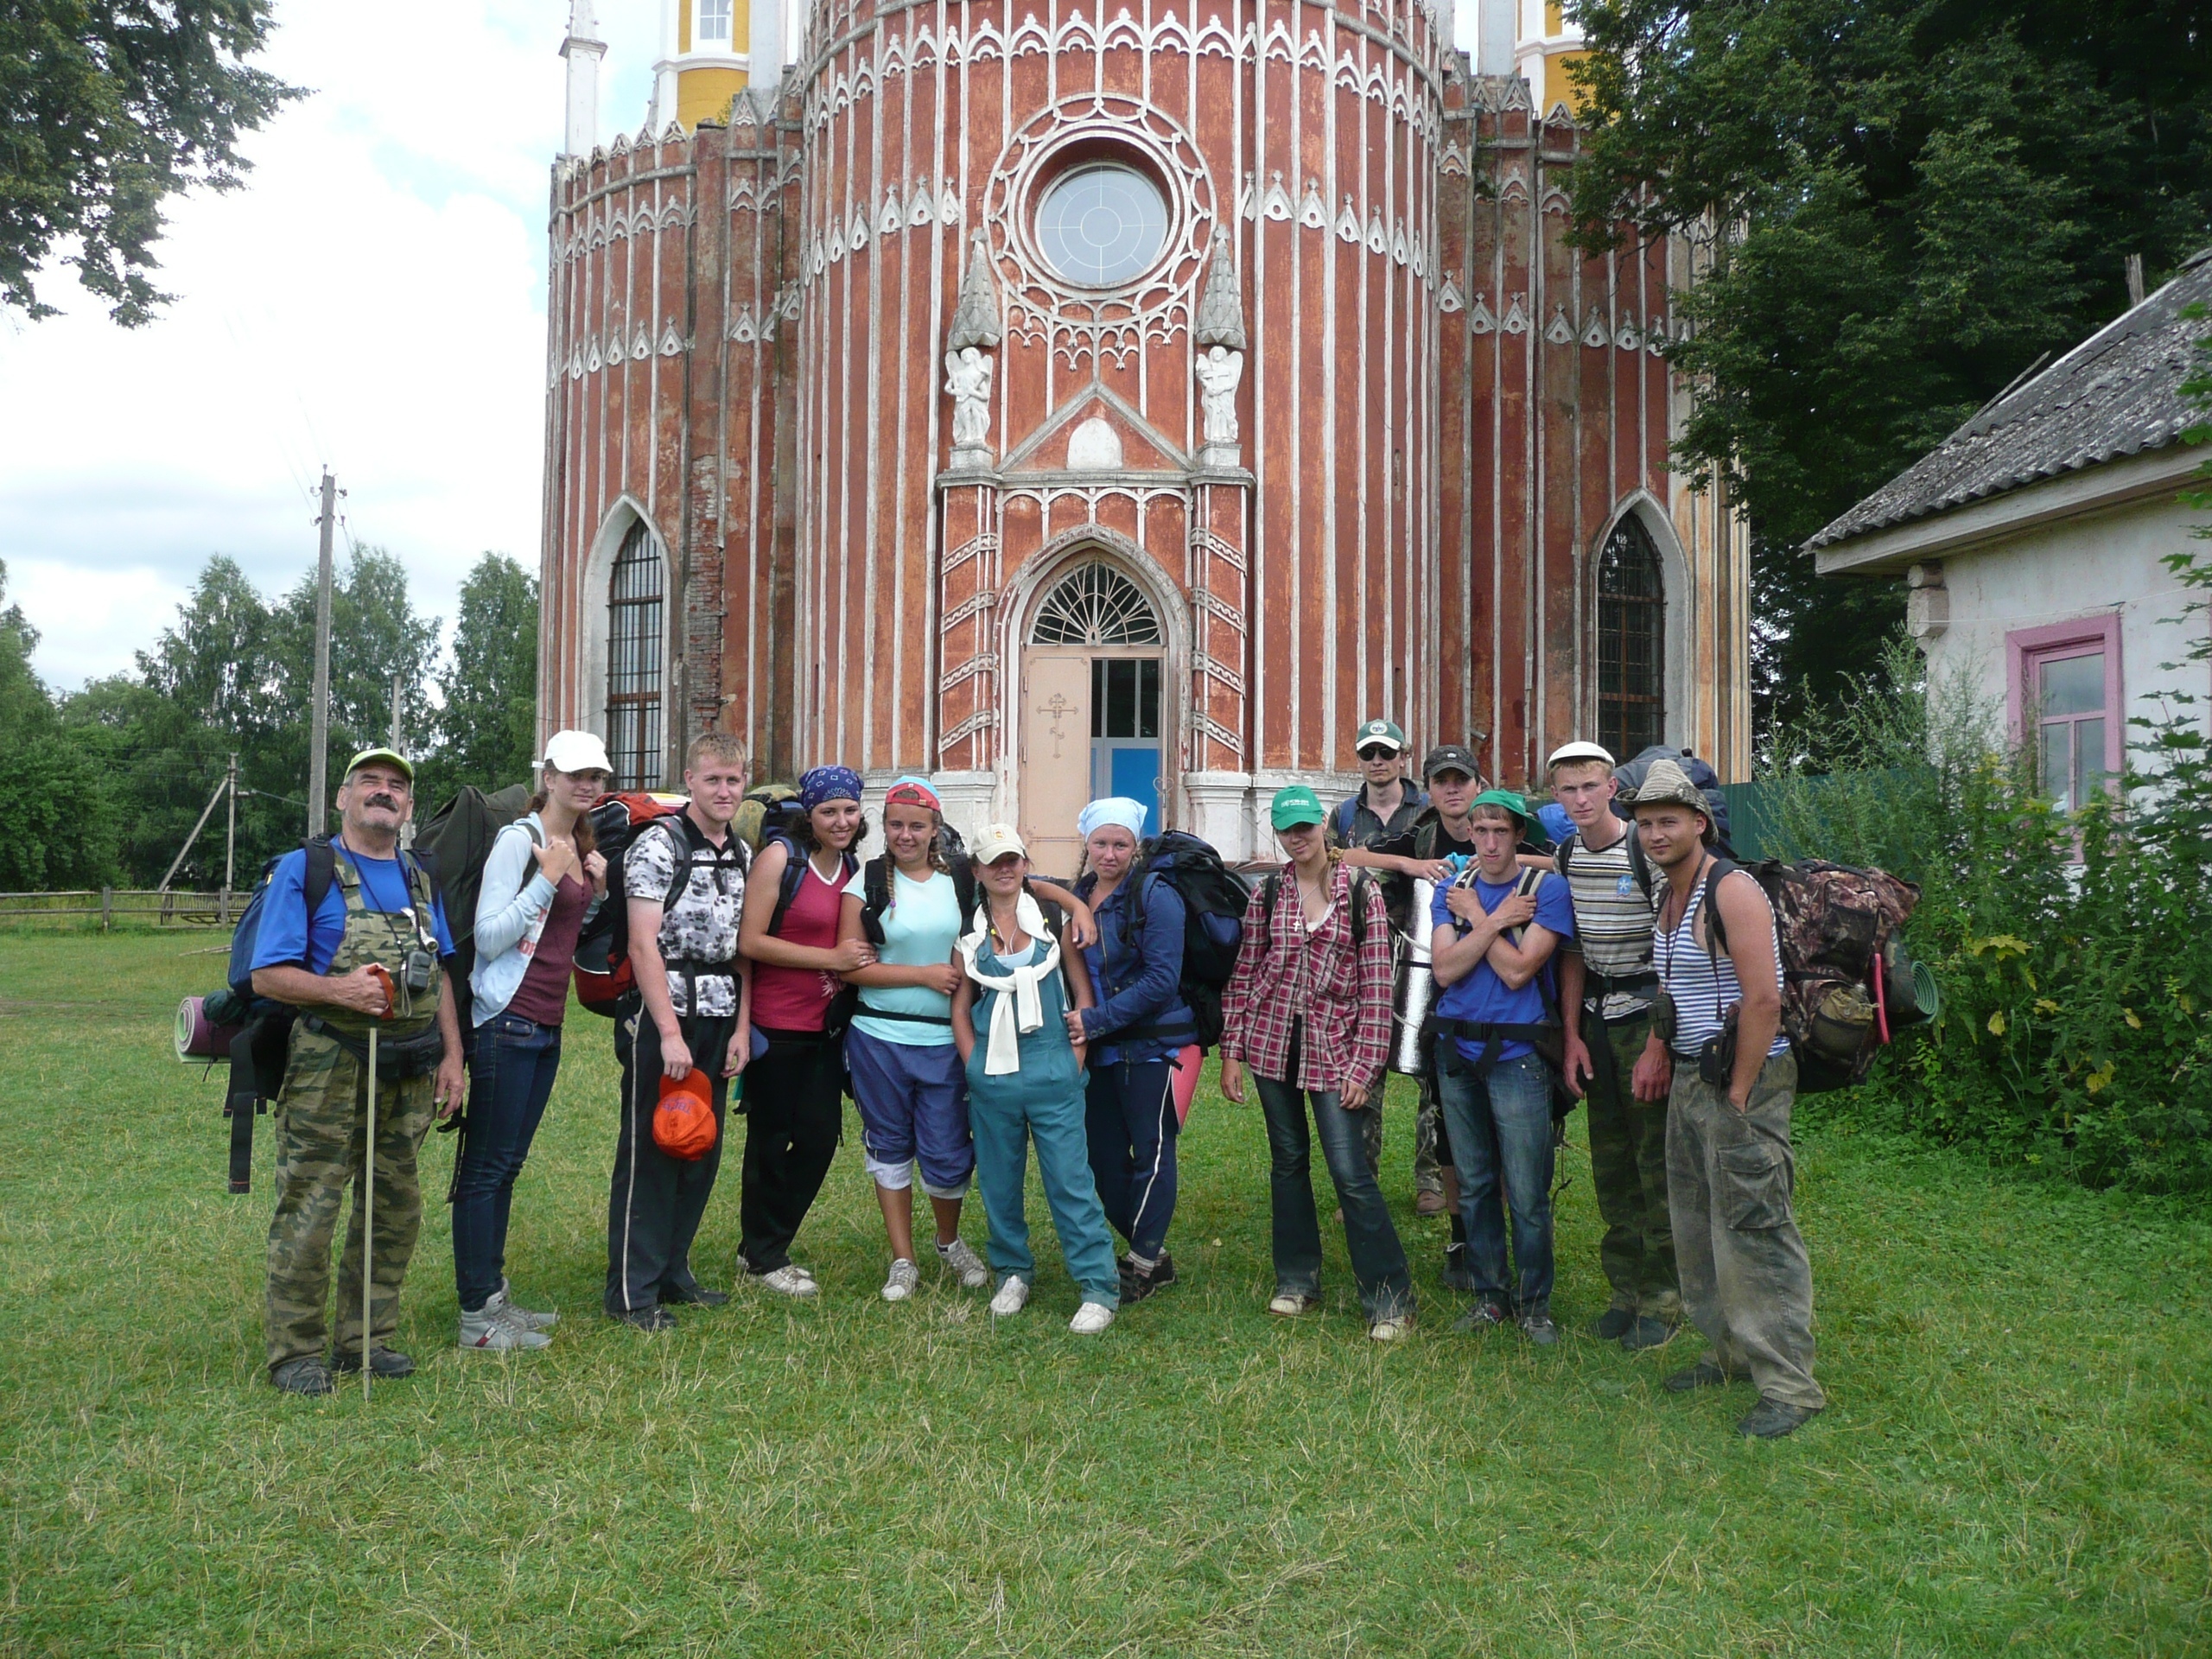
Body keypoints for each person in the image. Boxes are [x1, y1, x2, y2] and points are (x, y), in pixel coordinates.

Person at [250, 747, 467, 1395]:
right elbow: (268, 975)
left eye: (397, 786)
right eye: (369, 781)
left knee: (395, 1207)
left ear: (408, 807)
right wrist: (340, 992)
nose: (384, 792)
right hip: (329, 1060)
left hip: (409, 1068)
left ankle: (365, 1339)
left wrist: (453, 1055)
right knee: (312, 1204)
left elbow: (445, 973)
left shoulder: (421, 878)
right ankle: (296, 1352)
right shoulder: (306, 871)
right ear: (342, 798)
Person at [1632, 759, 1825, 1439]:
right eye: (1647, 823)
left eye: (1668, 821)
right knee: (1695, 1224)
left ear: (1699, 824)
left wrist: (1739, 1096)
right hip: (1692, 1076)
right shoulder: (1668, 894)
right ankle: (1732, 1354)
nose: (1656, 834)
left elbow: (1764, 1001)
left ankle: (1791, 1387)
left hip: (1744, 1080)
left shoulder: (1732, 890)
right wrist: (1660, 1048)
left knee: (1753, 1225)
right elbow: (1675, 988)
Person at [1219, 785, 1414, 1341]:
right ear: (1277, 833)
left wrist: (1365, 1066)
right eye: (1288, 829)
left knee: (1351, 1173)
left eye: (1306, 827)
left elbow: (1379, 986)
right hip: (1271, 1041)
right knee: (1287, 1162)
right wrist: (1232, 1051)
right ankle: (1297, 1278)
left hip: (1337, 1047)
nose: (1298, 837)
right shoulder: (1268, 894)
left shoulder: (1360, 891)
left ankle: (1388, 1296)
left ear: (1323, 830)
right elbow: (1245, 974)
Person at [455, 728, 611, 1351]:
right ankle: (476, 1317)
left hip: (546, 1023)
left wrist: (591, 891)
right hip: (505, 1020)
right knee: (485, 1171)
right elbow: (490, 935)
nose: (587, 785)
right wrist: (548, 878)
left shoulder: (579, 842)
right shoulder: (517, 842)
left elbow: (561, 934)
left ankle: (494, 1299)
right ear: (547, 777)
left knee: (508, 1166)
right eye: (575, 774)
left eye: (596, 776)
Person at [607, 732, 753, 1329]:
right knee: (653, 1148)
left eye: (734, 779)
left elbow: (743, 950)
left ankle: (674, 1270)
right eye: (713, 779)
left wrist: (743, 1029)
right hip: (665, 1012)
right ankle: (630, 1289)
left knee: (700, 1144)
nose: (724, 790)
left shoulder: (743, 853)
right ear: (689, 779)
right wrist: (668, 1032)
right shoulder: (657, 846)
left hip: (721, 1008)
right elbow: (643, 943)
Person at [952, 824, 1121, 1334]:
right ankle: (1012, 1271)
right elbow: (960, 1008)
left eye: (1014, 859)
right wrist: (972, 1064)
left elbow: (1080, 987)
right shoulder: (968, 934)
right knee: (1000, 1183)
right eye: (993, 861)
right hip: (993, 1073)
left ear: (1025, 864)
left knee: (1070, 1181)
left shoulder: (1050, 922)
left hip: (1052, 1065)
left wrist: (1079, 1050)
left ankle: (1097, 1285)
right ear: (977, 871)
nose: (1005, 869)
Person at [837, 777, 994, 1302]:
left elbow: (1023, 886)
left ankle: (948, 1242)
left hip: (945, 1040)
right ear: (884, 828)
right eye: (897, 824)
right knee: (890, 1144)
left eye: (917, 826)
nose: (906, 835)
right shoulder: (866, 885)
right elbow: (850, 968)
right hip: (878, 1038)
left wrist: (1077, 905)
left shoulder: (961, 884)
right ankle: (903, 1259)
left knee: (949, 1149)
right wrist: (923, 975)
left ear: (936, 829)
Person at [1427, 788, 1573, 1344]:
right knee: (1476, 1182)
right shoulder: (1454, 891)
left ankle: (1535, 1304)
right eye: (1480, 831)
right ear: (1469, 833)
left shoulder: (1545, 890)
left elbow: (1517, 973)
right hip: (1457, 1052)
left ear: (1518, 836)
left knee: (1528, 1188)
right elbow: (1443, 969)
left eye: (1500, 831)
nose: (1489, 842)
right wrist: (1492, 919)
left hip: (1517, 1055)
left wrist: (1476, 921)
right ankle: (1490, 1296)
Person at [1548, 740, 1680, 1352]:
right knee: (1611, 1160)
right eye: (1567, 789)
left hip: (1645, 1016)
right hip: (1597, 1021)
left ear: (1611, 789)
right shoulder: (1568, 853)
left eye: (1589, 787)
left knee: (1655, 1158)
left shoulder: (1643, 852)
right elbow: (1573, 951)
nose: (1579, 799)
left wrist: (1658, 1044)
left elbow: (1675, 956)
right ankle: (1623, 1290)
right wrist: (1572, 1035)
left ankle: (1664, 1297)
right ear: (1556, 795)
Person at [736, 764, 874, 1297]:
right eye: (828, 812)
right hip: (777, 1022)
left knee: (818, 1139)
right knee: (770, 1139)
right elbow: (749, 940)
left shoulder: (852, 868)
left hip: (827, 1026)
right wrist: (830, 956)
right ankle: (766, 1254)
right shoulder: (780, 859)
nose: (841, 821)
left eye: (849, 810)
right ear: (809, 815)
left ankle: (763, 1242)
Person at [1342, 743, 1484, 1243]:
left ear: (1476, 786)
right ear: (1429, 788)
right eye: (1442, 781)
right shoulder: (1418, 834)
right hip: (1407, 968)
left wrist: (1475, 860)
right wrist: (1409, 866)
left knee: (1439, 1079)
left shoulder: (1499, 826)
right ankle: (1364, 1179)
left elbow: (1550, 860)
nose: (1452, 789)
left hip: (1478, 977)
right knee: (1374, 1067)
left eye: (1460, 780)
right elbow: (1346, 855)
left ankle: (1431, 1180)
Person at [1067, 796, 1196, 1304]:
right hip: (1100, 1048)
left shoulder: (1156, 895)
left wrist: (1096, 1020)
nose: (1110, 854)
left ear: (1135, 847)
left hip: (1153, 1046)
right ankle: (1155, 1257)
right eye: (1101, 843)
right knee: (1101, 1159)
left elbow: (1162, 979)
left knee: (1153, 1151)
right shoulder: (1080, 894)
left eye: (1120, 844)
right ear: (1088, 844)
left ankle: (1142, 1261)